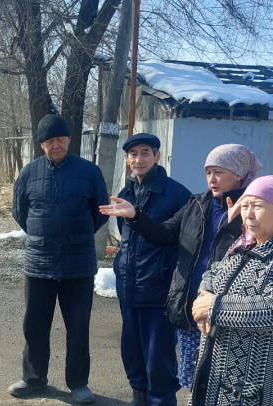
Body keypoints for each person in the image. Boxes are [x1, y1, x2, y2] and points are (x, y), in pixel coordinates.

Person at [100, 144, 262, 390]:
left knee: (224, 381)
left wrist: (236, 223)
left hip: (226, 311)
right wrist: (135, 215)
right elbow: (165, 234)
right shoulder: (197, 205)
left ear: (239, 174)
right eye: (208, 173)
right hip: (190, 307)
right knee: (193, 380)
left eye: (219, 172)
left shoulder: (255, 210)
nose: (212, 179)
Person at [188, 175, 273, 406]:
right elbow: (213, 272)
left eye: (258, 206)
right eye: (245, 205)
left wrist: (212, 307)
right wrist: (205, 295)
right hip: (214, 377)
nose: (248, 214)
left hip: (255, 388)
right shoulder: (245, 243)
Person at [8, 114, 110, 404]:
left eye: (61, 139)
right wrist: (43, 235)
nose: (56, 145)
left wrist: (74, 235)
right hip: (38, 263)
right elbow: (20, 211)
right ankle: (34, 378)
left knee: (78, 326)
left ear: (69, 140)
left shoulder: (89, 172)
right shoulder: (28, 173)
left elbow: (99, 211)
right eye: (49, 140)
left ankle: (78, 383)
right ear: (41, 144)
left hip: (78, 263)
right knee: (34, 325)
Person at [111, 133, 191, 405]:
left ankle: (161, 401)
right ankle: (139, 397)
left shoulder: (178, 195)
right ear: (127, 159)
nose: (139, 159)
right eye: (133, 154)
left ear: (157, 156)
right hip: (129, 288)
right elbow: (125, 238)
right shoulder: (126, 192)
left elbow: (179, 242)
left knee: (159, 358)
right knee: (132, 351)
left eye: (145, 152)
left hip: (159, 290)